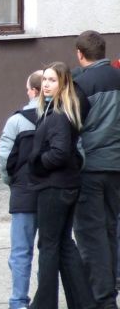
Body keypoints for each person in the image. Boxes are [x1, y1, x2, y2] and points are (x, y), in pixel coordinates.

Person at [27, 62, 95, 309]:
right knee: (64, 243)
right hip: (65, 185)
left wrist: (37, 163)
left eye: (52, 80)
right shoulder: (63, 110)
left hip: (55, 187)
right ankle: (85, 303)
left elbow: (59, 153)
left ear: (63, 84)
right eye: (44, 79)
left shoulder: (58, 116)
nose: (46, 84)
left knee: (49, 245)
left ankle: (44, 304)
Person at [72, 30, 120, 309]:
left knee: (91, 234)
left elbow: (70, 127)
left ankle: (101, 298)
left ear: (80, 54)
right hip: (116, 167)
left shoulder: (81, 83)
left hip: (90, 167)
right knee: (111, 227)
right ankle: (111, 286)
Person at [0, 70, 41, 309]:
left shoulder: (16, 121)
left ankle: (18, 301)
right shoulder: (61, 116)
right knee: (49, 249)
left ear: (33, 91)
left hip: (23, 192)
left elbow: (5, 159)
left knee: (21, 251)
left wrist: (11, 182)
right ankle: (45, 298)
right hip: (52, 193)